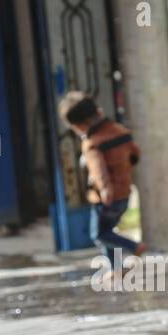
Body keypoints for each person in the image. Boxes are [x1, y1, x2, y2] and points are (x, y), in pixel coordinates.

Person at [58, 91, 145, 268]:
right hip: (124, 193)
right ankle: (116, 269)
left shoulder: (92, 143)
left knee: (99, 235)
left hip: (106, 197)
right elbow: (135, 153)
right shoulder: (120, 131)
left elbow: (99, 171)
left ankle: (134, 247)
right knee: (107, 231)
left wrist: (105, 189)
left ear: (81, 124)